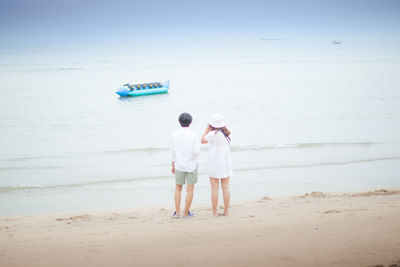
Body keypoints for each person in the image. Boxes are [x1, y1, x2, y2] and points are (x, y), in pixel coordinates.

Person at [201, 113, 232, 216]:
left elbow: (202, 140)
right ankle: (226, 211)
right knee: (226, 188)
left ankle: (215, 211)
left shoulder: (212, 134)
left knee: (215, 188)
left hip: (215, 163)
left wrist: (207, 128)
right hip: (225, 163)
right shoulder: (226, 133)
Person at [171, 112, 200, 218]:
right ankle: (186, 212)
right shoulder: (194, 135)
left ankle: (177, 212)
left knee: (178, 188)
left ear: (179, 122)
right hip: (191, 164)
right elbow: (196, 152)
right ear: (190, 122)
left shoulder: (174, 134)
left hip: (179, 164)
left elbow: (173, 151)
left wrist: (172, 163)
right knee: (190, 189)